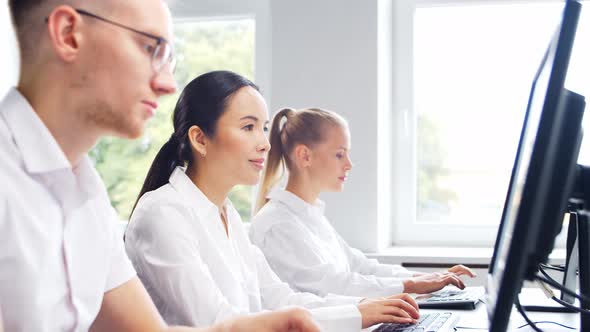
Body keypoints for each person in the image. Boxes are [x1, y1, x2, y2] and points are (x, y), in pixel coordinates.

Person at [0, 1, 320, 331]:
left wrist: (253, 327)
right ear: (69, 35)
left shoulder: (87, 193)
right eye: (150, 48)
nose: (168, 83)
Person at [125, 70, 420, 332]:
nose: (265, 143)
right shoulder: (162, 214)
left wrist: (362, 309)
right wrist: (355, 314)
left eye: (264, 127)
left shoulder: (228, 216)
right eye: (248, 127)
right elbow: (217, 322)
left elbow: (279, 298)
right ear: (200, 139)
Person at [250, 107, 476, 299]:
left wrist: (428, 278)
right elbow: (333, 286)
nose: (349, 164)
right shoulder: (277, 224)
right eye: (339, 154)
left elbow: (360, 266)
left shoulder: (308, 216)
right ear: (305, 156)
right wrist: (412, 286)